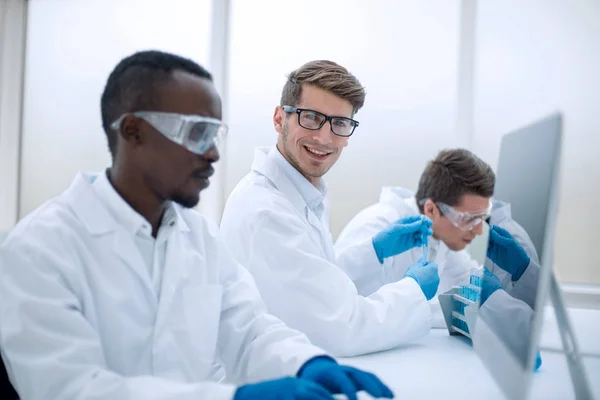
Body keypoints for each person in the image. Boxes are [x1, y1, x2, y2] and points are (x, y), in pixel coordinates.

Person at [0, 51, 394, 400]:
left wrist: (305, 363)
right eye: (195, 132)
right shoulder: (40, 248)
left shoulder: (199, 236)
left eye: (215, 133)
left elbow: (249, 327)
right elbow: (70, 389)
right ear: (133, 131)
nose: (213, 153)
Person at [220, 60, 439, 357]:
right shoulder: (266, 211)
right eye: (310, 117)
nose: (324, 138)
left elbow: (315, 281)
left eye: (339, 124)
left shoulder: (298, 194)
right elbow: (341, 329)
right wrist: (413, 289)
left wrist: (374, 252)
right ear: (279, 119)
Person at [335, 149, 541, 324]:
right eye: (468, 219)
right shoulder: (376, 224)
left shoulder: (440, 237)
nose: (479, 231)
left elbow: (469, 284)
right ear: (432, 209)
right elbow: (343, 310)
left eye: (481, 219)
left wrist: (522, 273)